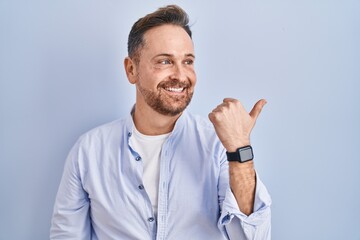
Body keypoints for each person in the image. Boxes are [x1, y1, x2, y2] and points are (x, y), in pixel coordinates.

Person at [50, 5, 271, 240]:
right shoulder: (89, 152)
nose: (180, 75)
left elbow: (252, 237)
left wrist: (239, 150)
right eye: (165, 61)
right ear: (131, 69)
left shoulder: (218, 145)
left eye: (187, 61)